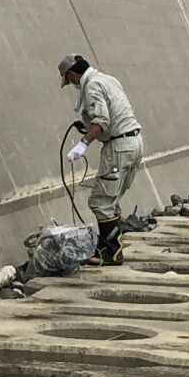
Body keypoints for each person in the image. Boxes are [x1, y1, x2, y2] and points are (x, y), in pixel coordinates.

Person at [59, 53, 142, 265]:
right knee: (110, 199)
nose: (72, 85)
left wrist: (83, 144)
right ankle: (109, 247)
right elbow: (113, 114)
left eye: (69, 81)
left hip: (118, 148)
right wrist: (87, 127)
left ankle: (111, 252)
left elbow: (102, 121)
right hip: (133, 142)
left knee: (100, 201)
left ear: (73, 75)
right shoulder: (108, 79)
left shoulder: (93, 86)